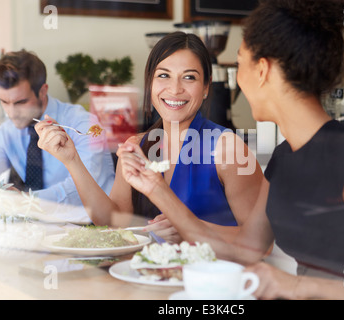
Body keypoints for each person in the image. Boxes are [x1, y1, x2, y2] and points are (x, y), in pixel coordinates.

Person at [119, 0, 344, 299]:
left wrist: (296, 286)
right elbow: (245, 250)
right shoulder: (284, 158)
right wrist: (156, 189)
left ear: (262, 70)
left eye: (239, 63)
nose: (238, 78)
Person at [35, 32, 263, 242]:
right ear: (150, 83)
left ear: (205, 87)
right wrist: (71, 160)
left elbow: (259, 243)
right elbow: (113, 223)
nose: (174, 89)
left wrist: (189, 229)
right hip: (151, 277)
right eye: (164, 75)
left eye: (189, 77)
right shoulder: (137, 145)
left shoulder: (228, 149)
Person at [0, 50, 115, 216]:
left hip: (92, 226)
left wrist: (27, 200)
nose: (11, 112)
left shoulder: (84, 125)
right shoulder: (8, 131)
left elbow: (85, 189)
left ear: (43, 91)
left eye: (20, 102)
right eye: (4, 102)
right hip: (41, 228)